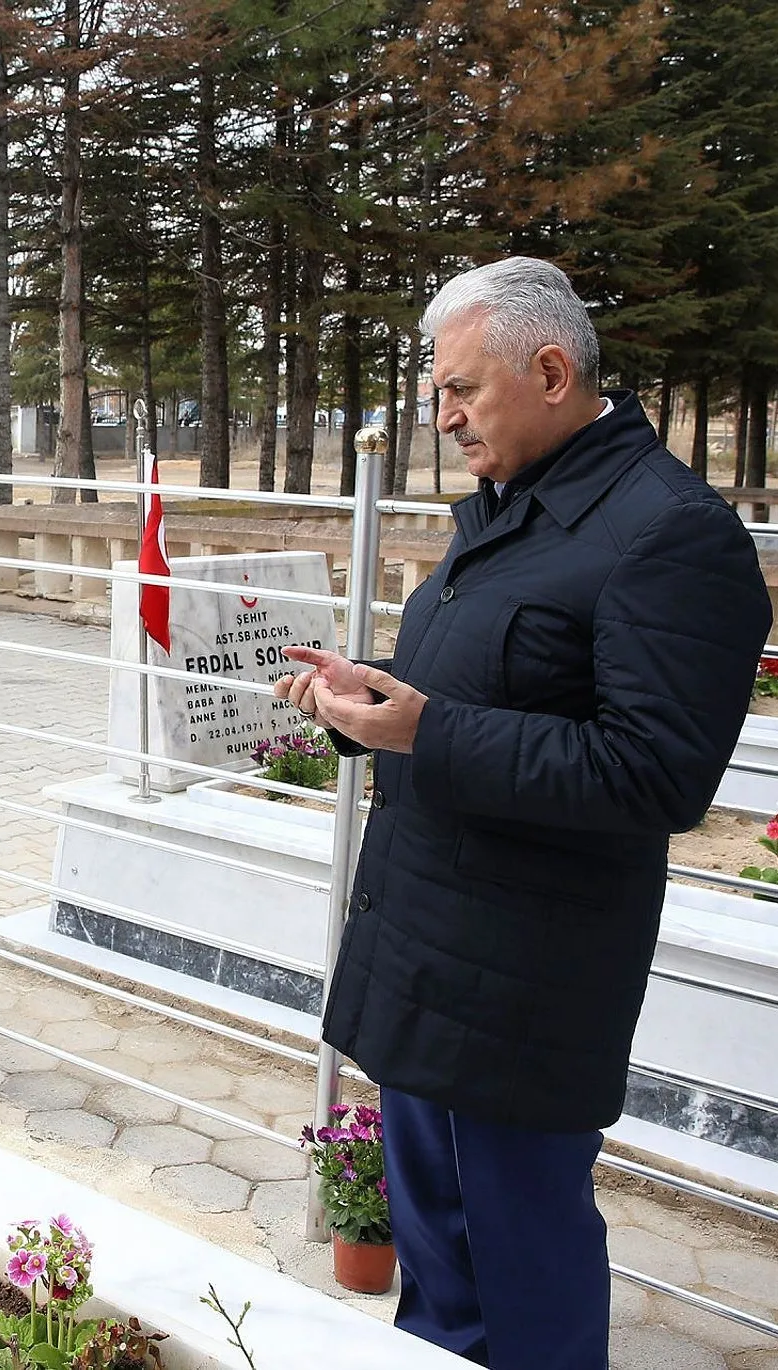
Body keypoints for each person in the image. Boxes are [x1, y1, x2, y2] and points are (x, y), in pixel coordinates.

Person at [271, 257, 770, 1370]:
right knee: (441, 1267)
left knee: (517, 1277)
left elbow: (654, 773)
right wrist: (368, 702)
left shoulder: (665, 533)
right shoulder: (518, 508)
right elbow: (486, 692)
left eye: (459, 390)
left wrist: (424, 730)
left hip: (521, 982)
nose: (441, 418)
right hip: (430, 950)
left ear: (549, 369)